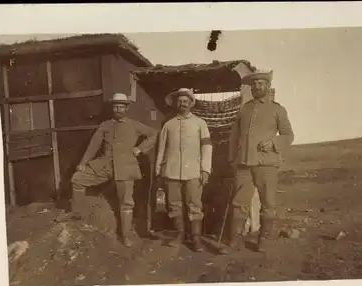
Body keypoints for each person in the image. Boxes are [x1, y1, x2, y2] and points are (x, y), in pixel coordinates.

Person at [219, 71, 295, 254]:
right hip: (244, 164)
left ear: (267, 87)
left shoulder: (277, 109)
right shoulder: (244, 109)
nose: (257, 87)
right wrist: (232, 158)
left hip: (267, 164)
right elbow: (234, 137)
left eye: (260, 84)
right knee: (239, 203)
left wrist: (273, 143)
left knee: (267, 203)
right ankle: (234, 241)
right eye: (254, 84)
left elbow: (288, 135)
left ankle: (264, 241)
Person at [70, 93, 158, 248]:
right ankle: (77, 214)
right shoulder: (105, 125)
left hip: (126, 167)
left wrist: (140, 148)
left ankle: (125, 236)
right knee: (77, 179)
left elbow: (153, 134)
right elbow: (93, 145)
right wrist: (83, 163)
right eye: (115, 106)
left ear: (126, 108)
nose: (118, 109)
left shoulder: (134, 124)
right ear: (112, 108)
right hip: (105, 166)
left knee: (126, 203)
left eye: (121, 106)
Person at [155, 88, 213, 252]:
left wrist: (205, 169)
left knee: (194, 205)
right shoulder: (168, 125)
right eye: (180, 101)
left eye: (186, 101)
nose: (183, 103)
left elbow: (207, 147)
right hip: (171, 171)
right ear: (175, 103)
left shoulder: (200, 124)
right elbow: (161, 149)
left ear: (191, 104)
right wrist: (158, 170)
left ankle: (196, 239)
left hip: (194, 171)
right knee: (174, 205)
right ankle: (179, 235)